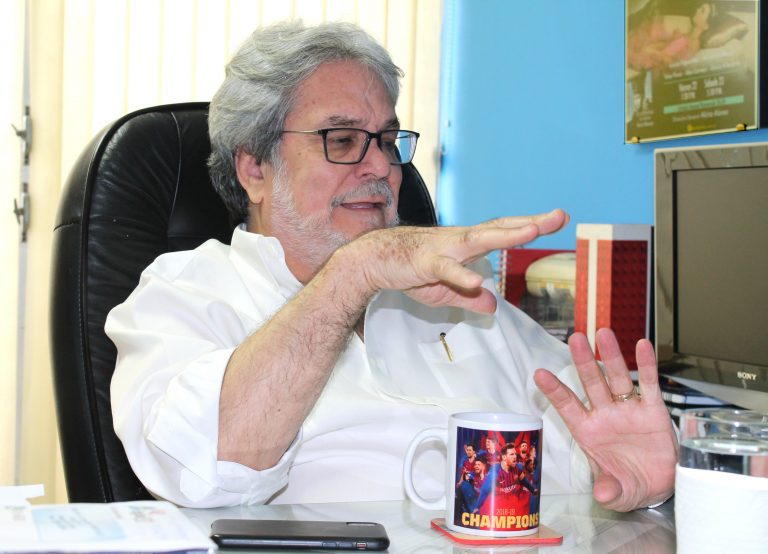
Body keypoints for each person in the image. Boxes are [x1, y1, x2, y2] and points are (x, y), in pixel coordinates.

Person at [106, 20, 677, 511]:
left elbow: (598, 442)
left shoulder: (460, 299)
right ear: (254, 168)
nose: (381, 166)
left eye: (386, 139)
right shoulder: (185, 294)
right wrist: (355, 272)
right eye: (342, 139)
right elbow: (201, 473)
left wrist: (634, 481)